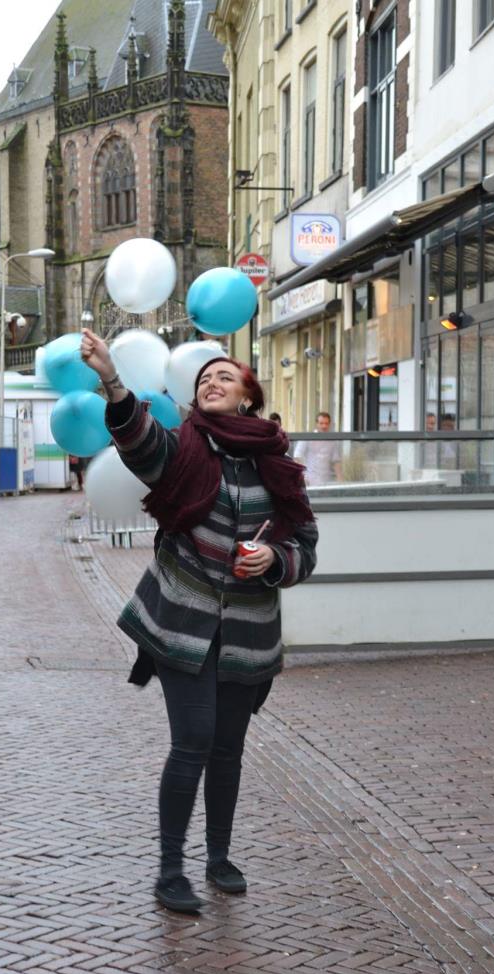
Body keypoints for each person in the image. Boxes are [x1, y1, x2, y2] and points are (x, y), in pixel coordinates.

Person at [80, 330, 318, 914]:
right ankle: (170, 870)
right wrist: (112, 378)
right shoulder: (183, 448)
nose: (212, 382)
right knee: (193, 741)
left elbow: (305, 546)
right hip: (181, 624)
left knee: (228, 748)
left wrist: (274, 560)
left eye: (225, 377)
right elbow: (138, 440)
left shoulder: (278, 468)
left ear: (248, 397)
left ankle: (219, 857)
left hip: (247, 633)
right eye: (205, 378)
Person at [292, 411, 343, 486]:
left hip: (326, 481)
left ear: (329, 424)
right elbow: (297, 457)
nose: (324, 426)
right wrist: (301, 477)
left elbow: (336, 462)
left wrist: (340, 481)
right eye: (321, 423)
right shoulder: (307, 438)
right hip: (309, 481)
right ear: (316, 424)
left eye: (326, 423)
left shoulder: (332, 441)